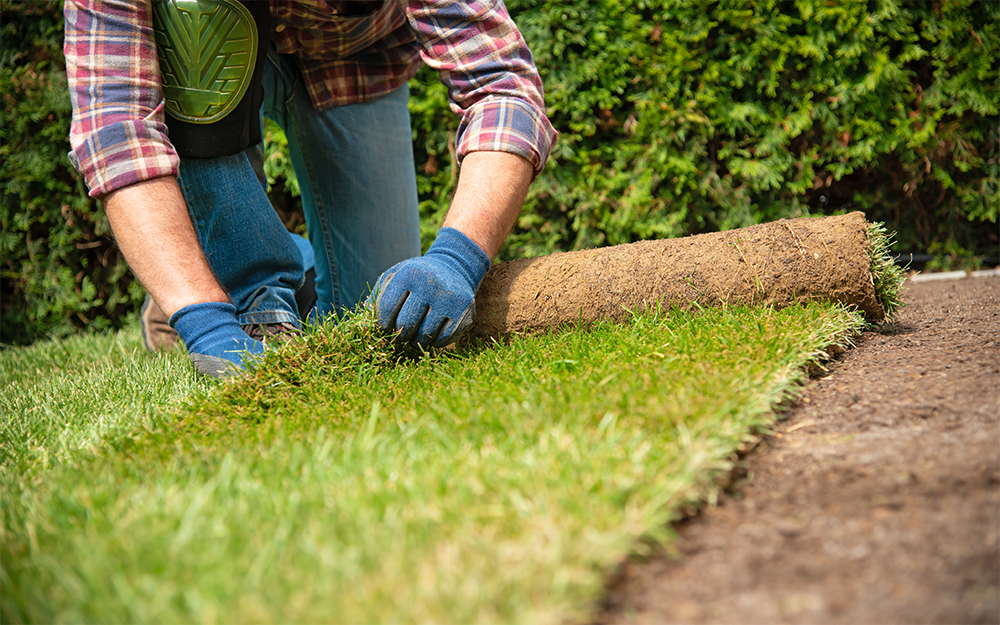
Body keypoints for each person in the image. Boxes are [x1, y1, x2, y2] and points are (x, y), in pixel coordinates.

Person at [64, 0, 557, 377]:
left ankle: (246, 258)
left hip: (353, 59)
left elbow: (502, 86)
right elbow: (117, 131)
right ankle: (247, 289)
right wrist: (202, 319)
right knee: (189, 21)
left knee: (372, 313)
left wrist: (456, 259)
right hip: (200, 50)